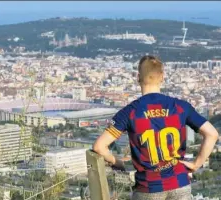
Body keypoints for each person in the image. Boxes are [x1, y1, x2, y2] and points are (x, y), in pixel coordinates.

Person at [93, 55, 219, 200]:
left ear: (138, 77)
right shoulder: (179, 107)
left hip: (148, 187)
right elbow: (212, 134)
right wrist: (196, 164)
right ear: (162, 77)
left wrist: (118, 162)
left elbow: (99, 146)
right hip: (179, 183)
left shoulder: (130, 112)